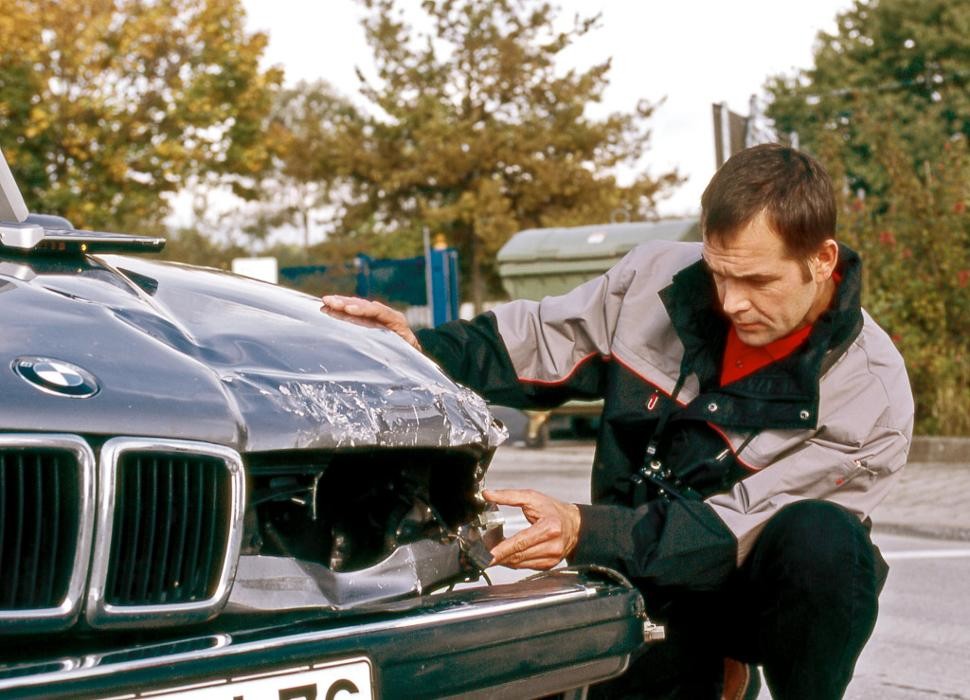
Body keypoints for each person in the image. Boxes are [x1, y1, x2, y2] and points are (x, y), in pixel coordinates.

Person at [321, 143, 914, 699]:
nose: (731, 302)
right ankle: (699, 667)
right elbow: (540, 339)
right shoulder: (654, 281)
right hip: (642, 575)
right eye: (719, 274)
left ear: (822, 260)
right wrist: (420, 350)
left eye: (757, 281)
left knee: (825, 542)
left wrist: (582, 529)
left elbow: (734, 530)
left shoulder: (871, 394)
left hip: (745, 581)